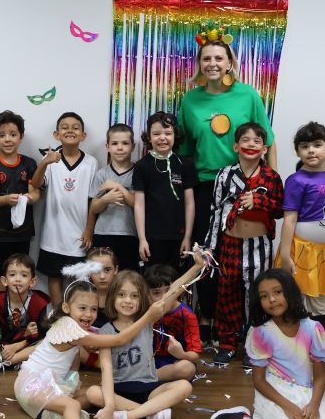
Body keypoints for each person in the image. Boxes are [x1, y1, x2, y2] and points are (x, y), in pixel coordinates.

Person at [179, 30, 277, 345]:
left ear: (229, 62)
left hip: (245, 186)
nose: (212, 63)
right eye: (206, 58)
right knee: (207, 255)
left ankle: (248, 326)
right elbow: (185, 150)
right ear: (199, 63)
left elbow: (268, 140)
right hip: (206, 186)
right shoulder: (190, 100)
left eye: (218, 58)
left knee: (243, 259)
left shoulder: (248, 95)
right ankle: (208, 319)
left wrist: (269, 184)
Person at [14, 278, 172, 419]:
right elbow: (119, 340)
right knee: (72, 405)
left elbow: (72, 365)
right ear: (66, 307)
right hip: (31, 385)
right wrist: (148, 316)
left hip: (48, 384)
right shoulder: (68, 326)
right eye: (82, 308)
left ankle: (55, 412)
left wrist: (69, 387)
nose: (89, 314)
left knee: (90, 394)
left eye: (94, 309)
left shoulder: (72, 328)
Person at [205, 269, 325, 419]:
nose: (272, 300)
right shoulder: (262, 333)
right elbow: (259, 381)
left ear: (290, 292)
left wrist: (313, 405)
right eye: (264, 296)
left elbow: (320, 376)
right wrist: (288, 406)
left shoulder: (313, 329)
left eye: (277, 292)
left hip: (307, 391)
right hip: (276, 392)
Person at [203, 122, 284, 365]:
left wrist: (259, 201)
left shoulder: (271, 177)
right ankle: (227, 344)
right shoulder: (225, 174)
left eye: (257, 141)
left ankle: (254, 345)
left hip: (259, 246)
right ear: (236, 146)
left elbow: (280, 210)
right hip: (230, 244)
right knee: (227, 293)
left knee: (258, 294)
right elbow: (216, 210)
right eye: (245, 140)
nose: (251, 144)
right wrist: (209, 247)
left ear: (264, 148)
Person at [276, 122, 325, 373]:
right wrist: (286, 255)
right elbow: (289, 219)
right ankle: (295, 350)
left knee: (324, 300)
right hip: (302, 251)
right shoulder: (296, 180)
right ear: (298, 151)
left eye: (317, 145)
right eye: (304, 146)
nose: (311, 150)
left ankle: (324, 349)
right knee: (297, 299)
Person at [86, 268, 199, 419]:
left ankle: (131, 415)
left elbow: (174, 291)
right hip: (119, 390)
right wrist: (110, 405)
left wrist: (196, 266)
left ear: (142, 299)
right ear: (112, 297)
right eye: (122, 295)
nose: (128, 300)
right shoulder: (105, 330)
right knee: (93, 392)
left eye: (134, 296)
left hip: (149, 387)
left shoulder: (148, 319)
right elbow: (106, 367)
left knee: (184, 386)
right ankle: (152, 413)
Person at [33, 112, 98, 305]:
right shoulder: (50, 159)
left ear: (83, 135)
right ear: (56, 134)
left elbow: (92, 200)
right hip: (53, 234)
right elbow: (36, 184)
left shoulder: (91, 162)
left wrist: (89, 230)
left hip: (79, 234)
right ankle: (58, 315)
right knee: (54, 276)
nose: (70, 130)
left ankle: (77, 316)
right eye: (65, 127)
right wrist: (45, 162)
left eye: (75, 127)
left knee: (79, 279)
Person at [0, 110, 40, 293]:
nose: (7, 139)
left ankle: (17, 309)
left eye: (13, 134)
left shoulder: (30, 164)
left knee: (20, 273)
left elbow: (36, 193)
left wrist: (30, 198)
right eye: (2, 135)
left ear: (21, 137)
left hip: (22, 233)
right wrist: (6, 199)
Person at [134, 112, 197, 269]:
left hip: (178, 237)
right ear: (149, 137)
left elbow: (189, 203)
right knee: (153, 279)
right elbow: (139, 205)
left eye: (168, 133)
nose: (162, 138)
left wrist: (187, 236)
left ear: (175, 135)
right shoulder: (142, 166)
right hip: (151, 237)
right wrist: (142, 239)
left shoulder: (184, 164)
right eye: (156, 134)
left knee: (176, 279)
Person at [86, 124, 140, 272]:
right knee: (102, 276)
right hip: (103, 234)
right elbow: (93, 208)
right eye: (115, 143)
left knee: (127, 277)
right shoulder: (102, 174)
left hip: (130, 234)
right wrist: (105, 199)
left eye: (125, 143)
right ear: (108, 147)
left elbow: (137, 203)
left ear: (133, 147)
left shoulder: (138, 172)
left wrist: (118, 188)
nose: (120, 148)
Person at [0, 253, 51, 365]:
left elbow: (42, 333)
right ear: (4, 280)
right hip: (3, 345)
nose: (18, 279)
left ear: (32, 281)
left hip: (26, 344)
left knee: (46, 343)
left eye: (24, 275)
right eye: (12, 275)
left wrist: (25, 337)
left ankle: (7, 362)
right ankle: (11, 360)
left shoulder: (38, 302)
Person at [144, 263, 200, 381]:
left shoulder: (187, 314)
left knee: (187, 368)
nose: (164, 298)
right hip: (148, 363)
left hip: (175, 363)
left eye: (169, 291)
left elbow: (195, 356)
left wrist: (181, 354)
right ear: (147, 294)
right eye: (156, 293)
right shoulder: (144, 311)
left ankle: (145, 379)